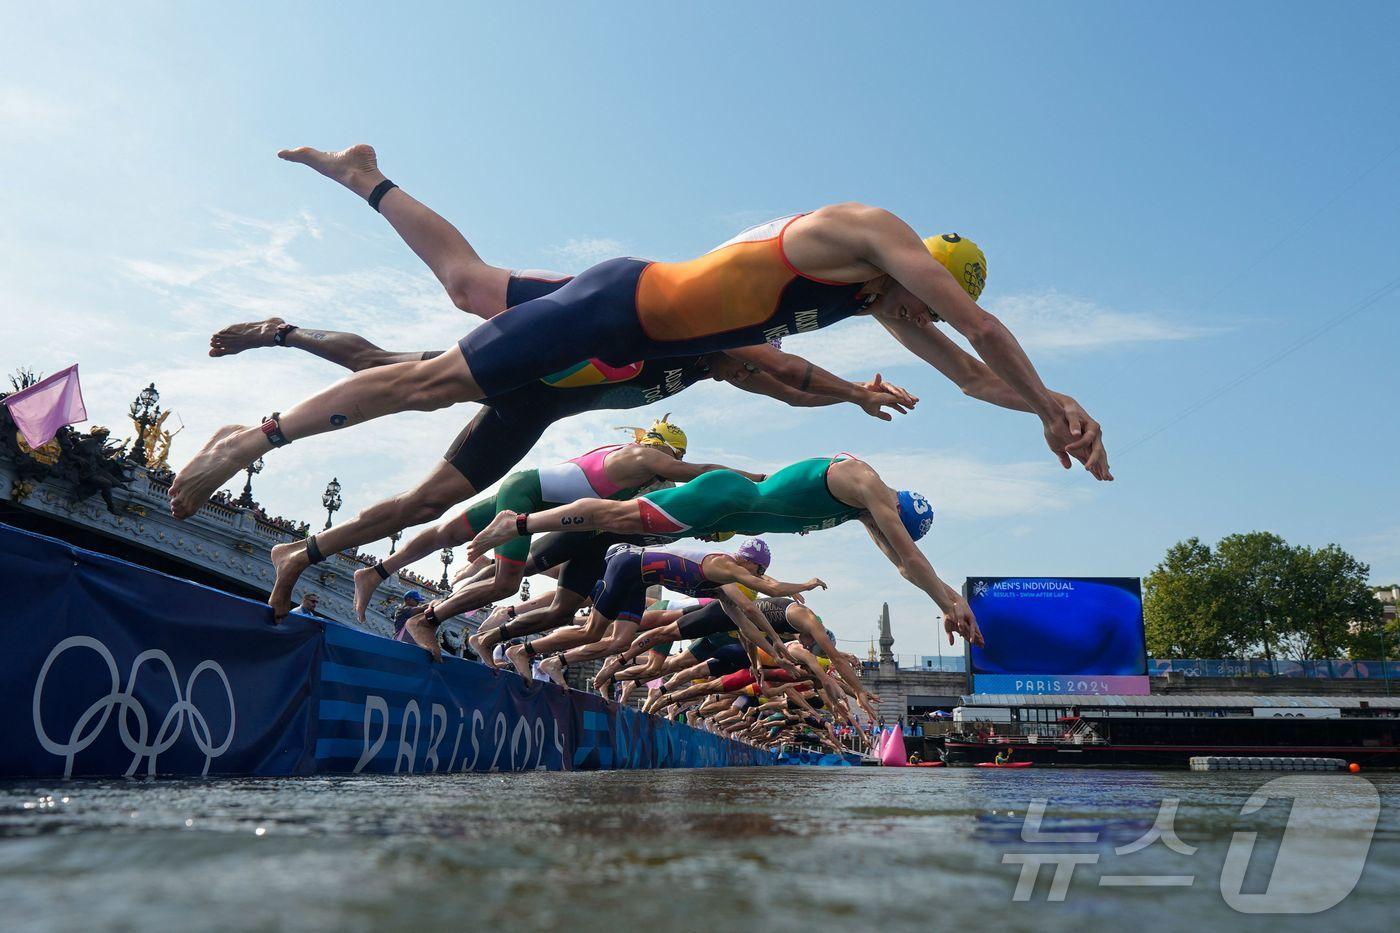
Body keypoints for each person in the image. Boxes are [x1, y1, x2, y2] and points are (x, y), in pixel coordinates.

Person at [170, 144, 1111, 519]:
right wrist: (1037, 399)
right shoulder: (865, 232)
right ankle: (255, 437)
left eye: (919, 316)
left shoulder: (872, 302)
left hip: (637, 322)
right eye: (921, 306)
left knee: (464, 284)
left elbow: (973, 375)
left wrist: (1056, 408)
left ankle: (364, 176)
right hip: (619, 304)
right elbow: (982, 333)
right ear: (923, 273)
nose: (917, 323)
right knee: (434, 381)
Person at [468, 454, 982, 646]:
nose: (882, 530)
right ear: (901, 510)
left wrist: (952, 604)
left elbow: (904, 567)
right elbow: (911, 558)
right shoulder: (863, 480)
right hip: (723, 498)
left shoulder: (863, 510)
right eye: (891, 525)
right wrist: (948, 600)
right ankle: (519, 521)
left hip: (720, 516)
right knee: (615, 514)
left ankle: (524, 536)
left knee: (616, 522)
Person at [319, 416, 751, 622]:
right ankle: (427, 619)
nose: (673, 465)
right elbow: (696, 476)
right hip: (526, 498)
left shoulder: (640, 470)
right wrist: (755, 481)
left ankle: (376, 572)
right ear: (667, 450)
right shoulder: (645, 457)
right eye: (674, 457)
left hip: (529, 494)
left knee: (446, 531)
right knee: (507, 582)